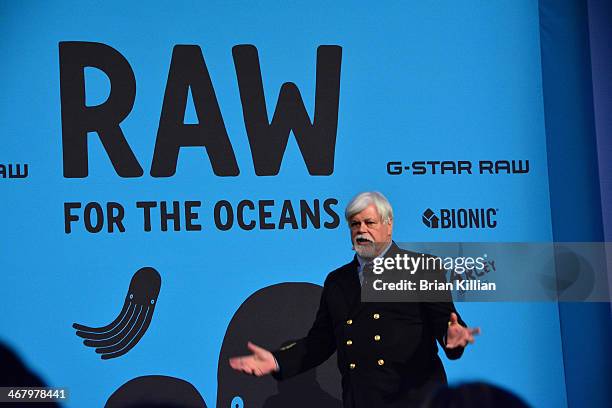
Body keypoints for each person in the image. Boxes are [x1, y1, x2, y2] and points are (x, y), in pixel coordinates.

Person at [229, 191, 480, 407]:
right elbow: (320, 341)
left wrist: (453, 337)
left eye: (369, 223)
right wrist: (276, 360)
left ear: (388, 225)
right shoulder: (338, 281)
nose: (362, 230)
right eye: (355, 224)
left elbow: (445, 324)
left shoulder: (420, 268)